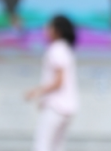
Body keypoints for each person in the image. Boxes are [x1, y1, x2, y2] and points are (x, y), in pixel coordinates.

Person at [26, 15, 78, 151]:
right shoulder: (66, 49)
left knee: (42, 145)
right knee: (56, 147)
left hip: (55, 106)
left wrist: (37, 91)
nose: (46, 30)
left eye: (49, 27)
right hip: (67, 107)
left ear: (57, 31)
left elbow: (59, 81)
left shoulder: (56, 49)